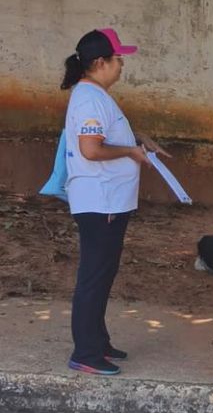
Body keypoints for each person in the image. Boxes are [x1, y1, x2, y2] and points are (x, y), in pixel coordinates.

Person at [61, 28, 170, 376]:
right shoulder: (91, 98)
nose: (122, 64)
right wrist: (132, 153)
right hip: (100, 202)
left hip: (108, 202)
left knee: (103, 273)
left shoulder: (95, 95)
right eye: (118, 58)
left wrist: (138, 139)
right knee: (94, 275)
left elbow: (102, 135)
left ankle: (98, 341)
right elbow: (91, 149)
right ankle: (86, 353)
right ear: (99, 62)